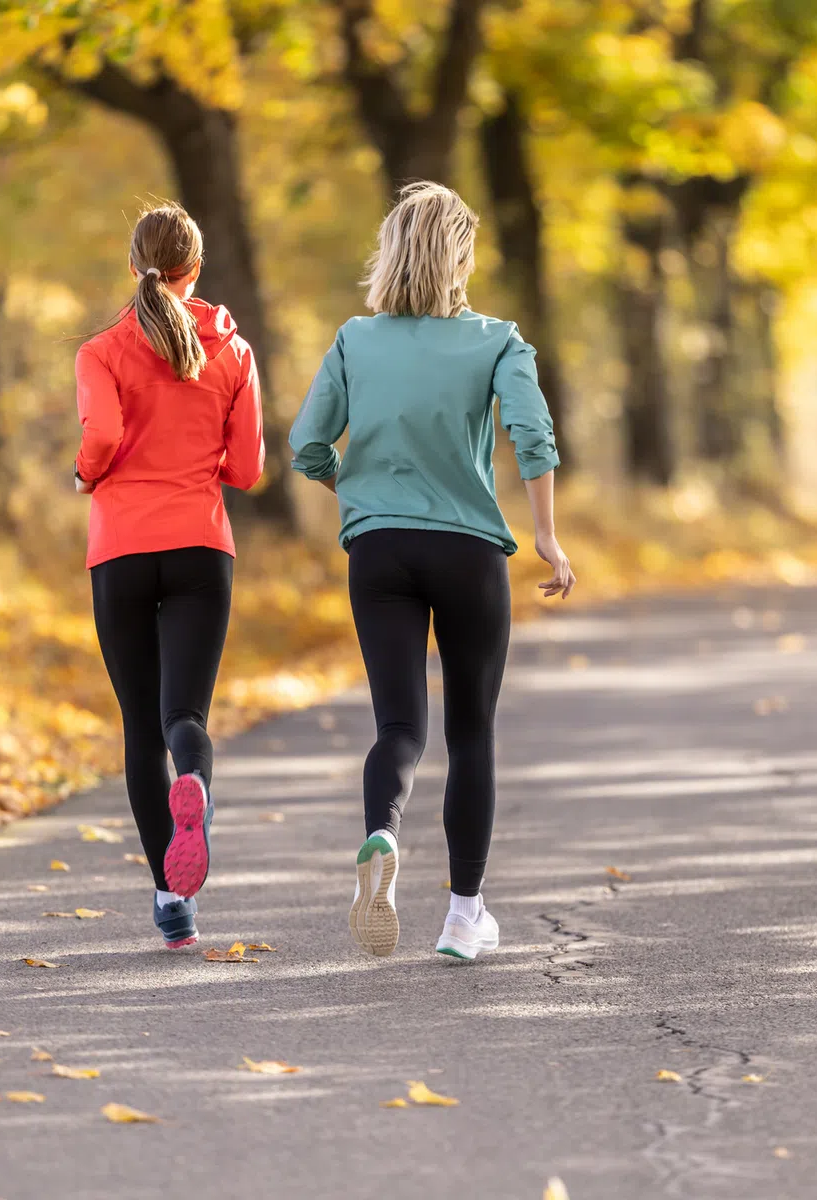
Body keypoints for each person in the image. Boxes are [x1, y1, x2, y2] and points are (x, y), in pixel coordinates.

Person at [289, 181, 577, 962]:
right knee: (472, 732)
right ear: (461, 257)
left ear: (388, 253)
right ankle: (461, 918)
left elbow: (305, 446)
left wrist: (365, 498)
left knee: (399, 728)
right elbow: (534, 438)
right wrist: (546, 536)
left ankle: (381, 832)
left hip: (378, 551)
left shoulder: (355, 339)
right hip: (468, 552)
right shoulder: (497, 341)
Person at [73, 202, 264, 949]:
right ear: (198, 268)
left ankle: (170, 899)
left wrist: (88, 474)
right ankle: (198, 788)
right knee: (185, 716)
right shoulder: (234, 353)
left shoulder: (100, 352)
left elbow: (104, 436)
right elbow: (246, 469)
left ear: (135, 267)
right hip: (200, 546)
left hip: (120, 547)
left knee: (137, 727)